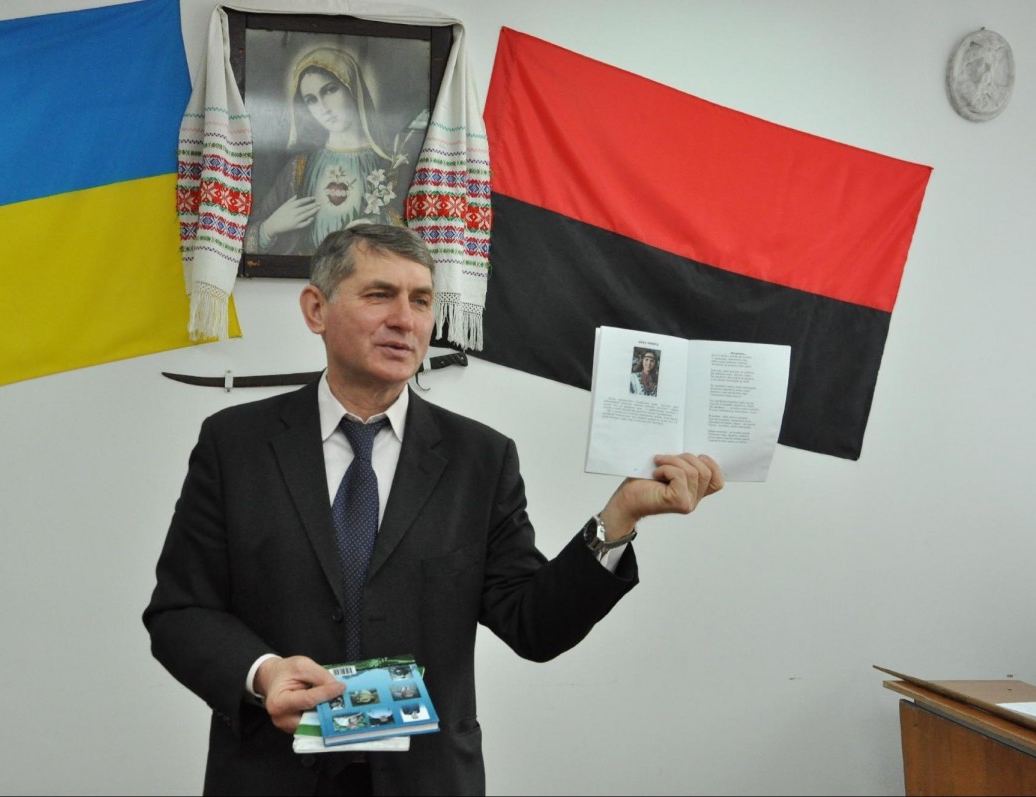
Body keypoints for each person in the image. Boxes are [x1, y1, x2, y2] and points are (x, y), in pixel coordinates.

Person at [143, 224, 724, 796]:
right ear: (316, 310)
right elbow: (180, 612)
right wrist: (263, 672)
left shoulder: (481, 458)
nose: (406, 320)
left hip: (427, 779)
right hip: (270, 774)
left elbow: (534, 625)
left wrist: (619, 518)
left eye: (421, 301)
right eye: (380, 295)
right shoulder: (234, 445)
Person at [245, 46, 419, 257]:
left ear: (352, 88)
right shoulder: (299, 168)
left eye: (329, 90)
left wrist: (379, 230)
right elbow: (243, 245)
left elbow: (421, 246)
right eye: (311, 100)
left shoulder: (394, 164)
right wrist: (270, 227)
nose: (323, 107)